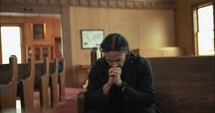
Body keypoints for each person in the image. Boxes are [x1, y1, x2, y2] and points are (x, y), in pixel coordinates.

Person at [85, 33, 161, 113]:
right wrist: (108, 85)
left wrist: (121, 85)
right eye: (109, 60)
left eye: (118, 60)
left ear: (126, 52)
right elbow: (89, 100)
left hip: (136, 108)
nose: (114, 65)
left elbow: (148, 99)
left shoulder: (141, 63)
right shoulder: (98, 66)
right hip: (108, 108)